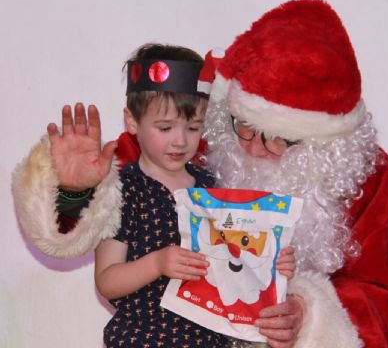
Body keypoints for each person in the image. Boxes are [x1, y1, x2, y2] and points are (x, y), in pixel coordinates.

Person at [13, 0, 388, 347]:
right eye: (244, 126)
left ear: (319, 143)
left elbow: (385, 298)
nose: (252, 147)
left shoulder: (364, 176)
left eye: (277, 139)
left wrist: (307, 311)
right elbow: (96, 204)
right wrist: (74, 191)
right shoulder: (198, 143)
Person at [13, 43, 295, 348]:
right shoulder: (123, 190)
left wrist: (271, 261)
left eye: (193, 127)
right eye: (165, 127)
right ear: (132, 122)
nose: (180, 140)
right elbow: (107, 281)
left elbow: (235, 261)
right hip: (142, 339)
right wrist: (156, 264)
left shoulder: (212, 186)